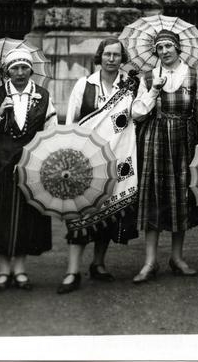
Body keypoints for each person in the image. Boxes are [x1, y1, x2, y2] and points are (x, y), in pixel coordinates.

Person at [59, 37, 141, 292]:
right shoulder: (85, 85)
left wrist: (150, 90)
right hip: (85, 161)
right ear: (100, 56)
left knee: (107, 211)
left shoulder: (129, 87)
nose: (111, 59)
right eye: (107, 54)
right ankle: (72, 271)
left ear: (122, 58)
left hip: (116, 158)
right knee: (80, 214)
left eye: (116, 55)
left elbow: (137, 116)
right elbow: (71, 122)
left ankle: (98, 264)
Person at [131, 29, 198, 282]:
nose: (164, 51)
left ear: (178, 48)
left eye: (168, 46)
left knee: (180, 198)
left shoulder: (194, 76)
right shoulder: (148, 77)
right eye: (160, 48)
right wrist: (154, 91)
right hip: (154, 141)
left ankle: (177, 258)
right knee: (154, 197)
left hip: (184, 142)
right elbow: (136, 114)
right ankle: (150, 262)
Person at [0, 48, 56, 293]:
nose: (20, 73)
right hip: (0, 163)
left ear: (31, 70)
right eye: (15, 68)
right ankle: (3, 271)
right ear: (7, 71)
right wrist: (0, 113)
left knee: (27, 216)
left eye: (24, 68)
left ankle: (20, 269)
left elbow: (51, 131)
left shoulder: (43, 95)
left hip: (30, 164)